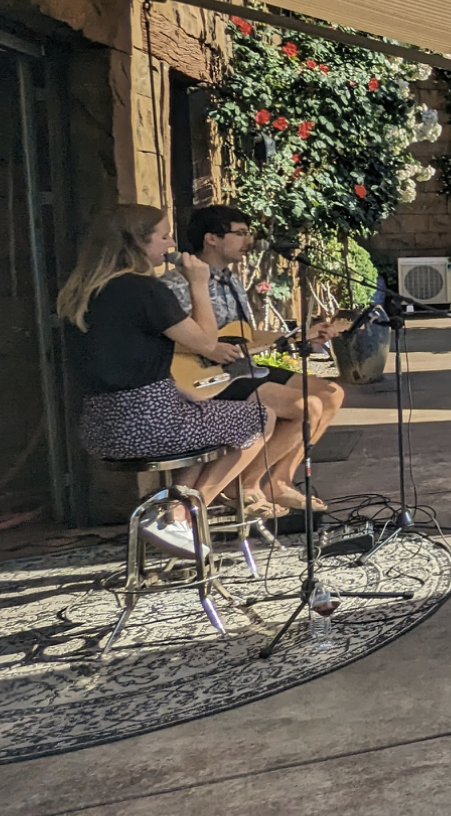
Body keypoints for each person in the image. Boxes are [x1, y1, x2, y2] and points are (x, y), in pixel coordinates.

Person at [56, 204, 270, 556]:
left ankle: (171, 510)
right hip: (152, 423)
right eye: (164, 236)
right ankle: (177, 516)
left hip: (99, 429)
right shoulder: (145, 290)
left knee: (209, 420)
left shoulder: (80, 292)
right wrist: (198, 284)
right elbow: (208, 342)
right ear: (137, 242)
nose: (172, 244)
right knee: (261, 416)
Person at [165, 204, 344, 513]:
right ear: (211, 238)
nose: (249, 240)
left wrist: (298, 336)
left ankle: (279, 481)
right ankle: (243, 486)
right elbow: (171, 338)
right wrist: (210, 348)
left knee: (330, 394)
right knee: (306, 406)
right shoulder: (177, 283)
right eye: (240, 233)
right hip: (208, 375)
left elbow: (243, 335)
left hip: (239, 366)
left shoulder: (232, 281)